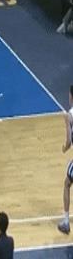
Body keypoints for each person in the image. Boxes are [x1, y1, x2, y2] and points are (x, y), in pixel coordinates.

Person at [58, 85, 73, 234]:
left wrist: (64, 148)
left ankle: (66, 222)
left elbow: (69, 141)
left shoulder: (69, 116)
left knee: (67, 184)